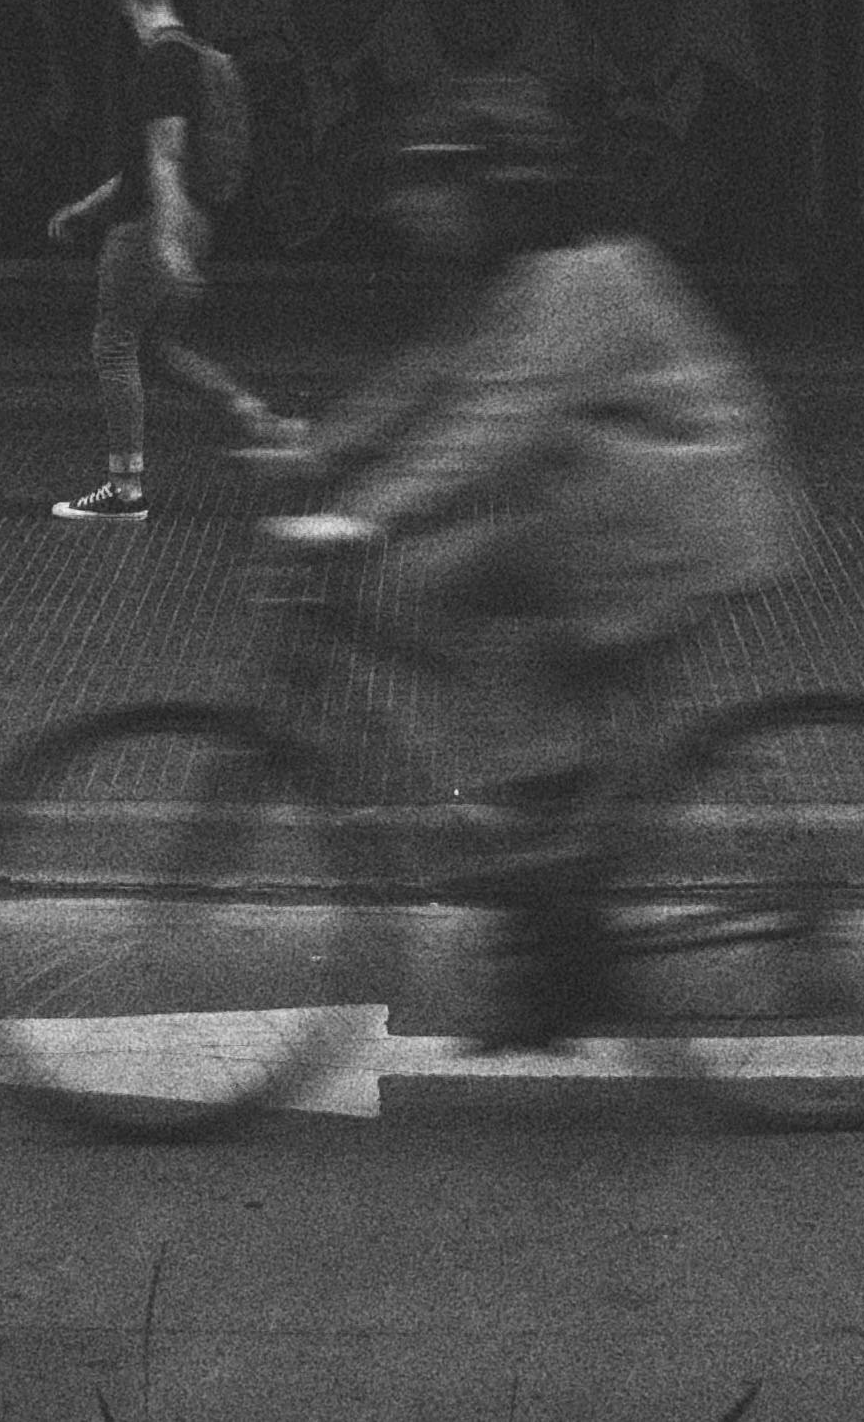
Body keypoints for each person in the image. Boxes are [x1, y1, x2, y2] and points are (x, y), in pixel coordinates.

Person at [265, 71, 808, 1049]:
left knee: (443, 589)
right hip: (608, 510)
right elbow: (435, 376)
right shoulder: (511, 277)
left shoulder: (583, 276)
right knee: (452, 607)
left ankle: (548, 864)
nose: (408, 208)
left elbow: (495, 423)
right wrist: (321, 448)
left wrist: (359, 519)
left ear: (492, 190)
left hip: (660, 523)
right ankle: (551, 873)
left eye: (430, 188)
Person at [44, 0, 284, 522]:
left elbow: (163, 160)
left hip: (154, 227)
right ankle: (257, 417)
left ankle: (125, 492)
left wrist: (169, 242)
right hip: (184, 219)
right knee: (158, 350)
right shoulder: (188, 55)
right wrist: (84, 210)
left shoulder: (161, 60)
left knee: (114, 343)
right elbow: (140, 168)